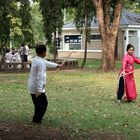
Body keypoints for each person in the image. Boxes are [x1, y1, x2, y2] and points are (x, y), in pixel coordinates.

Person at [28, 44, 62, 124]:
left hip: (33, 86)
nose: (46, 53)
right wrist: (39, 90)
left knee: (37, 104)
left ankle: (36, 118)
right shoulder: (40, 63)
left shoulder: (36, 59)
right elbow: (39, 77)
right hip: (37, 88)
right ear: (43, 52)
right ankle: (37, 119)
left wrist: (56, 65)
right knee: (43, 104)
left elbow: (45, 62)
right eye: (45, 51)